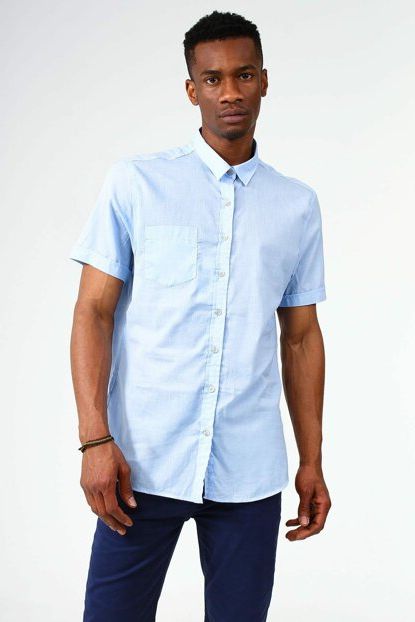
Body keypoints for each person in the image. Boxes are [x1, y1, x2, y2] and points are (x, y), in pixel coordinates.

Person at [69, 10, 331, 622]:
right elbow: (93, 311)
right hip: (141, 464)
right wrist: (94, 440)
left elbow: (300, 338)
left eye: (244, 75)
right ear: (193, 90)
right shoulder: (136, 184)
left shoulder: (296, 205)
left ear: (265, 81)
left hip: (249, 471)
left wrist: (311, 461)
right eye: (213, 79)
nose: (230, 92)